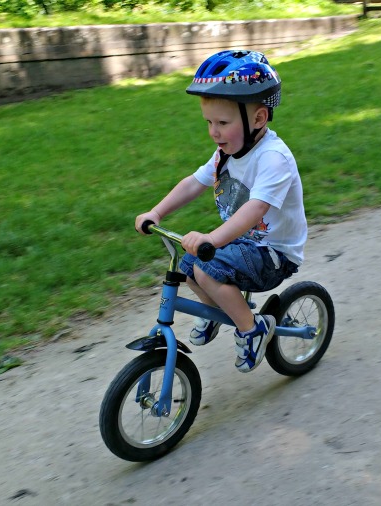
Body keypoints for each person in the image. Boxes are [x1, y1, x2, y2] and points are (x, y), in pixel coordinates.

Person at [134, 49, 307, 373]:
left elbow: (256, 209)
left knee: (207, 269)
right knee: (187, 267)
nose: (214, 132)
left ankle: (252, 328)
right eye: (209, 122)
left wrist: (212, 238)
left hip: (274, 253)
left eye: (223, 123)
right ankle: (216, 310)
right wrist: (155, 213)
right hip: (242, 245)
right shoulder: (225, 153)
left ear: (258, 118)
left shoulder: (273, 159)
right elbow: (192, 184)